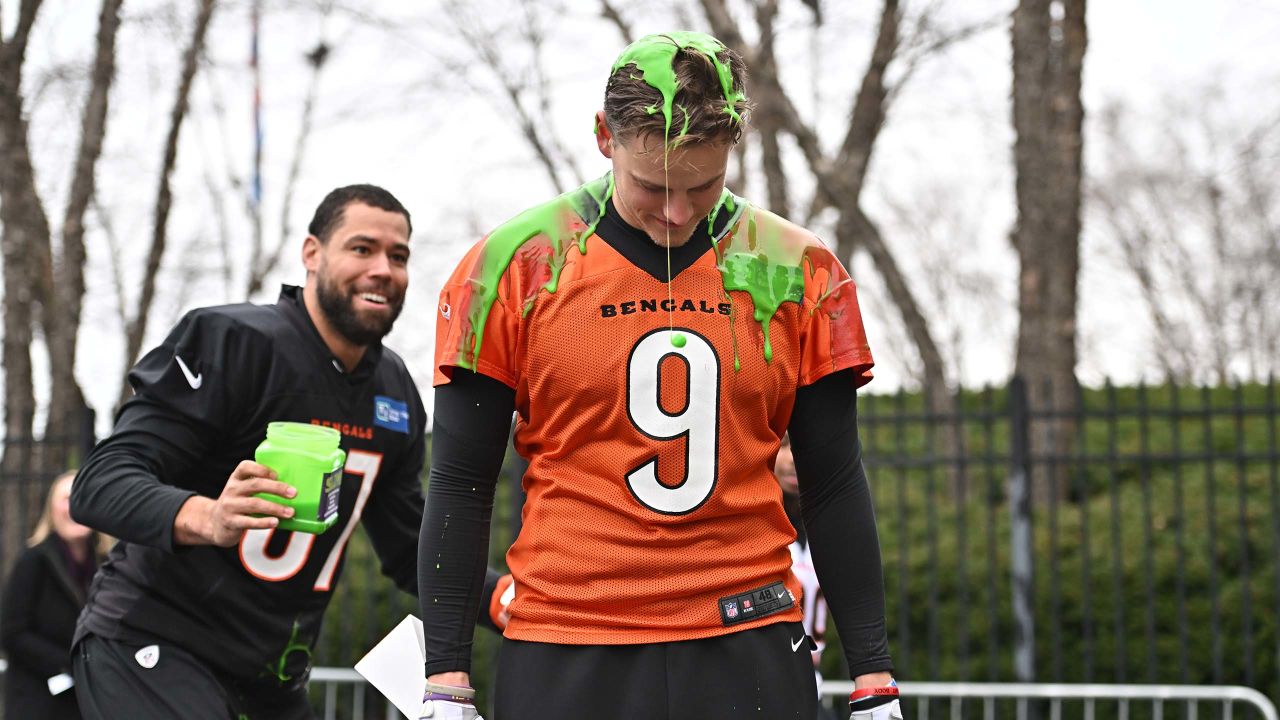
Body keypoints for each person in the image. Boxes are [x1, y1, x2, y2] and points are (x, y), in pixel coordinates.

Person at [418, 31, 902, 720]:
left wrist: (874, 677)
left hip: (748, 634)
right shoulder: (515, 267)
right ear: (603, 137)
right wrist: (446, 678)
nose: (677, 213)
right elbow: (461, 482)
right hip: (568, 638)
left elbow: (834, 480)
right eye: (653, 186)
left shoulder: (797, 269)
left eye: (703, 185)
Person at [68, 184, 506, 720]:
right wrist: (208, 516)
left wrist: (505, 597)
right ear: (312, 254)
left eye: (399, 256)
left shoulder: (394, 390)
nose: (383, 270)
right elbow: (101, 482)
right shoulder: (232, 340)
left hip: (268, 675)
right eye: (362, 248)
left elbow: (412, 545)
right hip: (155, 646)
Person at [2, 471, 111, 719]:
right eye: (66, 498)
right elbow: (12, 633)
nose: (74, 505)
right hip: (38, 701)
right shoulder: (33, 561)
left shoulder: (109, 565)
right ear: (51, 509)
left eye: (82, 496)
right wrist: (70, 663)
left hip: (87, 701)